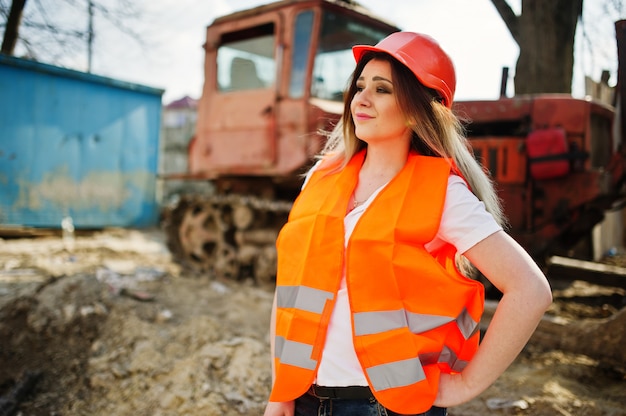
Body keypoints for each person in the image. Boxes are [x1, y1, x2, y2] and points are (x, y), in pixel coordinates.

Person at [264, 31, 552, 416]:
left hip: (387, 408)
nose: (361, 99)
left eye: (382, 89)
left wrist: (467, 384)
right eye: (360, 86)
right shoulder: (323, 178)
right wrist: (279, 391)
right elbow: (290, 290)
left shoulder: (442, 193)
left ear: (418, 110)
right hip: (304, 401)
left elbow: (530, 291)